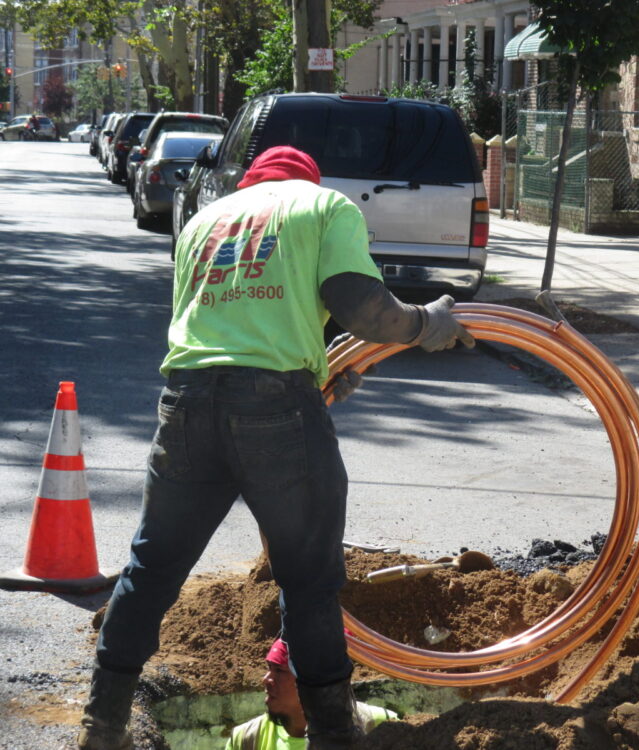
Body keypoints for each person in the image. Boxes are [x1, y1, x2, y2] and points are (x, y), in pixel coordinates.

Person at [77, 145, 474, 750]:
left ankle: (101, 727)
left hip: (186, 404)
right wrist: (426, 323)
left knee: (151, 567)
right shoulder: (325, 207)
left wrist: (313, 368)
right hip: (278, 412)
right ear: (307, 181)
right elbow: (364, 308)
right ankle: (335, 738)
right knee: (308, 583)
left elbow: (224, 329)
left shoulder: (205, 221)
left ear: (252, 182)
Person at [226, 638, 397, 750]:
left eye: (279, 670)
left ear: (310, 679)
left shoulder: (376, 725)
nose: (266, 679)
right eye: (269, 669)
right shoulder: (246, 740)